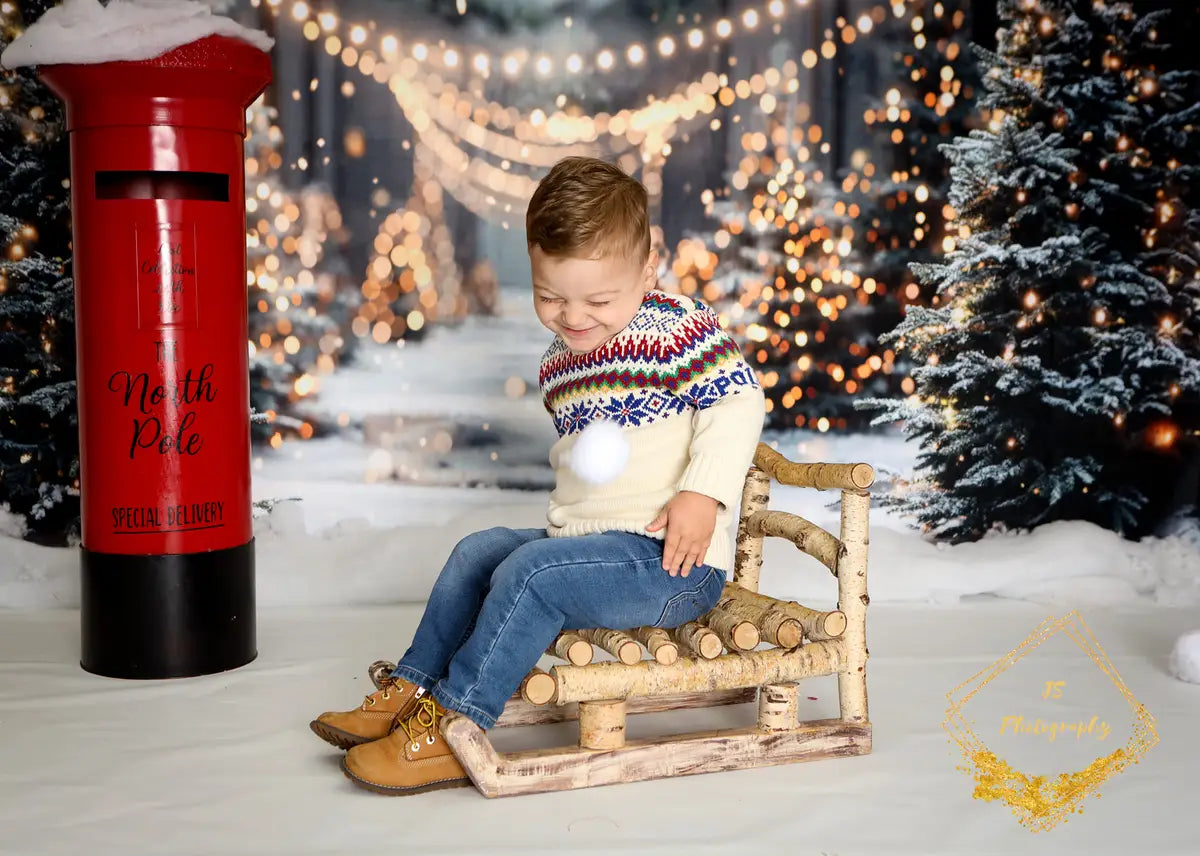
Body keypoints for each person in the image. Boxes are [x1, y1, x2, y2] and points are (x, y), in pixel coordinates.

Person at [311, 156, 766, 796]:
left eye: (599, 300)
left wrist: (703, 492)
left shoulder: (679, 327)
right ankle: (410, 689)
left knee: (533, 575)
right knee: (480, 552)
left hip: (671, 565)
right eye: (550, 296)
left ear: (647, 269)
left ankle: (453, 728)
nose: (574, 317)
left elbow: (739, 401)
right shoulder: (564, 358)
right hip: (588, 548)